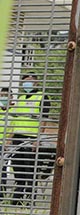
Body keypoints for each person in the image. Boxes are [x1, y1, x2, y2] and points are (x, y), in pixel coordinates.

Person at [8, 74, 51, 205]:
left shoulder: (42, 97)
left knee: (30, 171)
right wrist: (9, 138)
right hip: (17, 138)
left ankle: (30, 200)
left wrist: (37, 139)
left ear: (36, 83)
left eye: (31, 81)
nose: (28, 83)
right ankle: (18, 197)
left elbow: (43, 120)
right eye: (26, 81)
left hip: (31, 138)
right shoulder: (20, 98)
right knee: (18, 168)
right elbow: (15, 120)